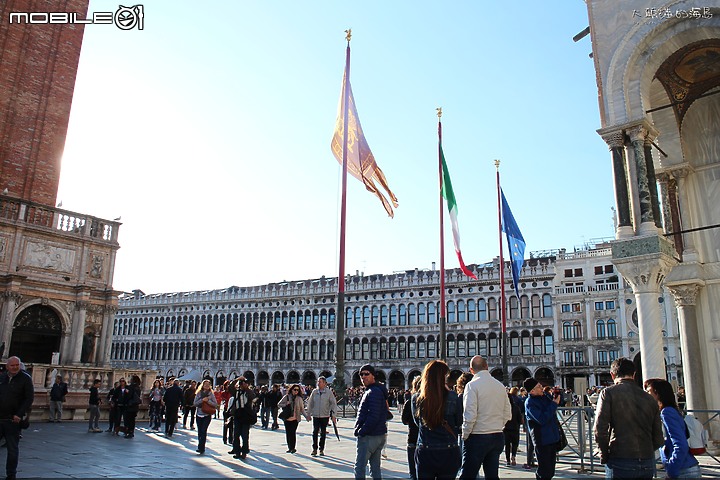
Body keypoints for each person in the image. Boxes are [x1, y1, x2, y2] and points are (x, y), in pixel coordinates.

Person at [593, 357, 663, 478]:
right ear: (634, 374)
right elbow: (658, 437)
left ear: (612, 375)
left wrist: (604, 454)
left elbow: (600, 428)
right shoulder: (649, 398)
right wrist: (647, 451)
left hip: (620, 458)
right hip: (647, 460)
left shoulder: (608, 393)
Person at [458, 355, 511, 480]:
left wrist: (465, 434)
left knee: (467, 475)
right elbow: (508, 413)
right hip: (497, 435)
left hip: (477, 436)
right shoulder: (499, 386)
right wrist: (498, 425)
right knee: (492, 475)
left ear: (471, 370)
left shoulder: (471, 386)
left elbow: (470, 415)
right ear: (487, 366)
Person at [411, 360, 463, 479]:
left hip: (425, 450)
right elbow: (459, 422)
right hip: (448, 451)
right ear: (443, 377)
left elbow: (417, 423)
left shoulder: (416, 399)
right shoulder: (453, 397)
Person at [644, 378, 701, 479]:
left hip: (683, 471)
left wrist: (671, 470)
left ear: (658, 394)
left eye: (649, 391)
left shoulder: (667, 412)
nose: (646, 395)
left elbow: (680, 444)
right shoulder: (670, 410)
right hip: (685, 468)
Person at [0, 356, 34, 480]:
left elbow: (29, 398)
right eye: (12, 365)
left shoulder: (25, 379)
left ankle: (11, 475)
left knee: (12, 449)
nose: (15, 367)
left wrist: (19, 414)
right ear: (7, 366)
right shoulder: (2, 377)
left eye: (17, 365)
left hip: (13, 420)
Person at [353, 364, 388, 480]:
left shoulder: (373, 392)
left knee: (359, 468)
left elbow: (374, 415)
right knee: (375, 468)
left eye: (366, 374)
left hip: (370, 436)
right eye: (361, 374)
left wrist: (362, 431)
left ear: (373, 375)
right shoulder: (374, 390)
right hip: (378, 434)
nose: (363, 377)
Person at [524, 378, 561, 480]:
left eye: (540, 385)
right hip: (542, 440)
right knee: (544, 471)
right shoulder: (530, 403)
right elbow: (541, 419)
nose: (542, 388)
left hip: (552, 437)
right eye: (538, 387)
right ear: (532, 391)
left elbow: (554, 405)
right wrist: (554, 404)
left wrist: (556, 395)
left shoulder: (545, 397)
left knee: (551, 470)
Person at [305, 376, 338, 456]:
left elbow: (333, 403)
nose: (318, 383)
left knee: (323, 432)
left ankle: (321, 449)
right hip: (316, 415)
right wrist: (308, 413)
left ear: (324, 383)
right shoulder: (314, 391)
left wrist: (334, 415)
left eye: (320, 382)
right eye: (318, 382)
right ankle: (314, 448)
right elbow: (310, 403)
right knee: (315, 432)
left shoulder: (328, 392)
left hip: (324, 415)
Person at [230, 377, 256, 460]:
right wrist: (236, 380)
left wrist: (246, 388)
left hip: (246, 415)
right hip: (237, 414)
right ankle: (237, 451)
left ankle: (244, 451)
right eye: (241, 383)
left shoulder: (249, 392)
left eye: (244, 383)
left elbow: (253, 396)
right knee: (236, 434)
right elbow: (230, 388)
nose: (243, 385)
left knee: (245, 435)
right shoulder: (236, 392)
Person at [279, 383, 309, 454]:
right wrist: (286, 404)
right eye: (295, 390)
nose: (296, 391)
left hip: (295, 419)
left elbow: (302, 409)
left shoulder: (299, 399)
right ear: (291, 390)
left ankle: (293, 448)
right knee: (288, 433)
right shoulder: (286, 397)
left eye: (297, 390)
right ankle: (289, 447)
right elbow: (279, 404)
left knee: (293, 433)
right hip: (287, 418)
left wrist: (306, 416)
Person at [401, 376, 421, 480]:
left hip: (412, 438)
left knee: (413, 472)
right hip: (425, 441)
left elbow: (404, 420)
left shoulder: (409, 402)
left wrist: (411, 422)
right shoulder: (428, 401)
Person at [193, 379, 218, 454]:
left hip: (207, 415)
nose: (207, 386)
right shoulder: (199, 393)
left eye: (208, 384)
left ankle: (201, 447)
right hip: (199, 414)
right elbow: (195, 403)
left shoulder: (211, 394)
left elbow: (215, 404)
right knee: (200, 431)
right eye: (205, 384)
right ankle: (200, 445)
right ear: (202, 385)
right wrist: (202, 400)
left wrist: (208, 401)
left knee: (204, 431)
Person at [503, 388, 522, 467]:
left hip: (506, 429)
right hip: (515, 428)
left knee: (507, 445)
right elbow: (519, 419)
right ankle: (513, 456)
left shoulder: (503, 408)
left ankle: (507, 460)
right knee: (515, 444)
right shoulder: (516, 407)